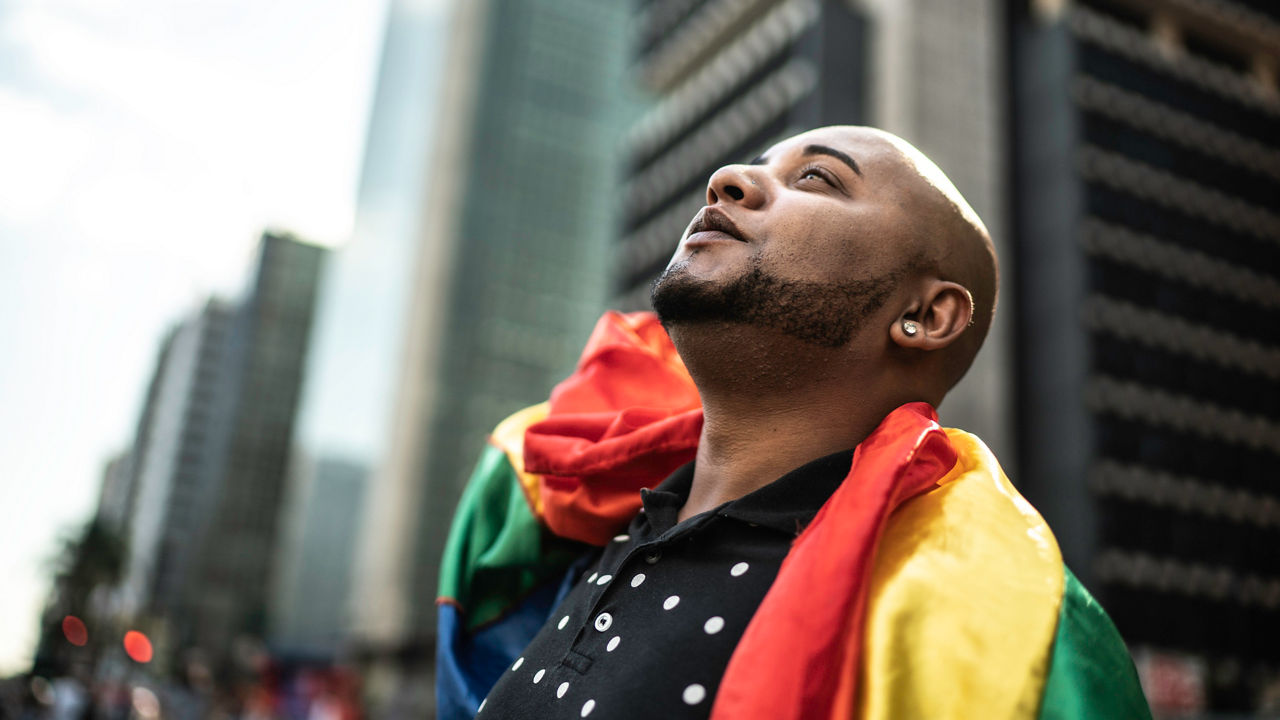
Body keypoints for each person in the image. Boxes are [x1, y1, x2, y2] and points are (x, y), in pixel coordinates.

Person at [436, 126, 1152, 719]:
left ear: (926, 316)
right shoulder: (571, 534)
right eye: (754, 167)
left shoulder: (977, 629)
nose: (727, 180)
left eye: (816, 179)